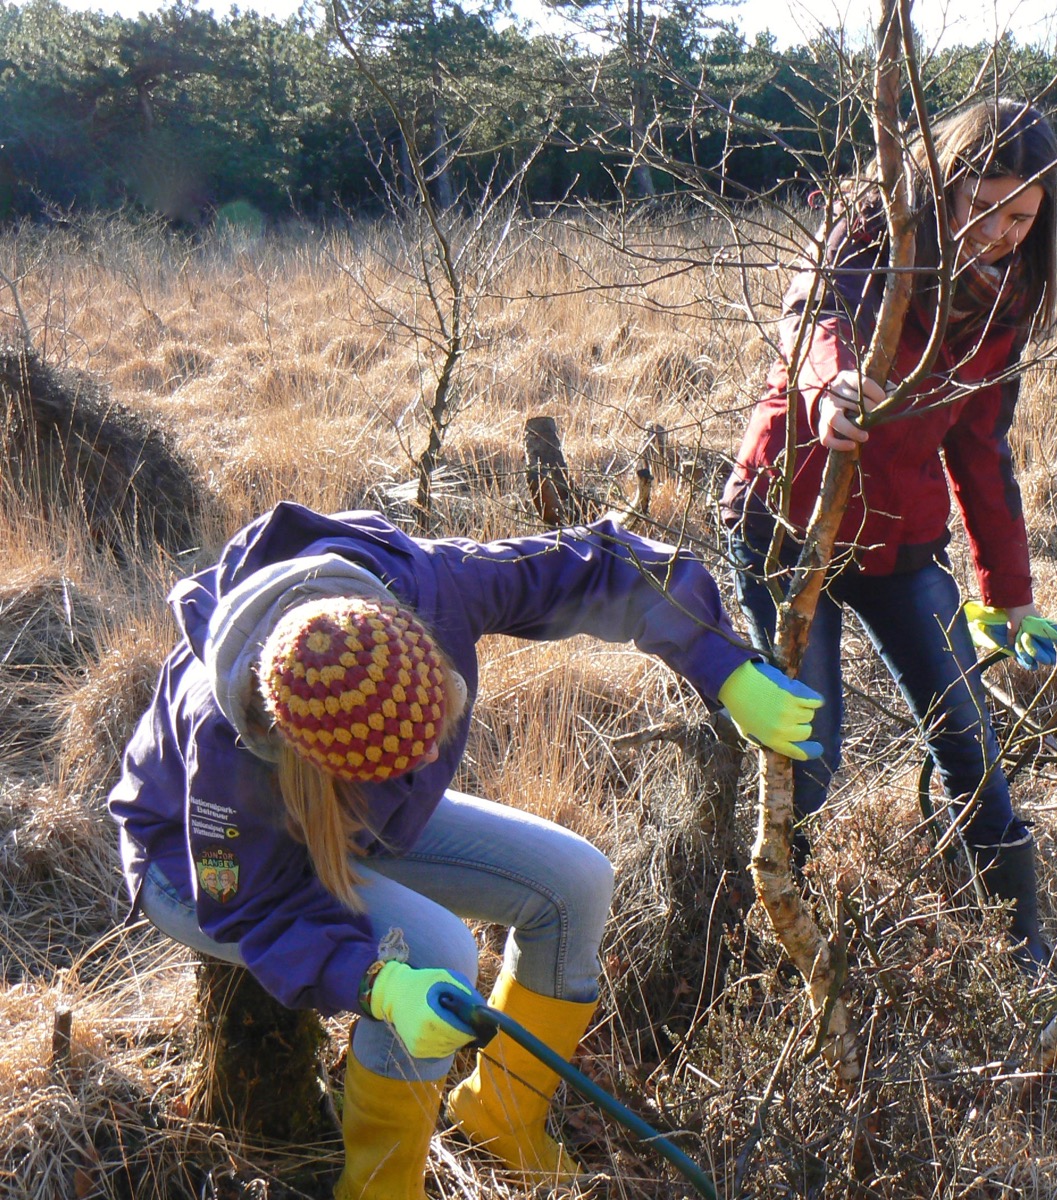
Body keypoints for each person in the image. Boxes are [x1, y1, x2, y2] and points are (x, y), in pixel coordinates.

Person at [108, 501, 821, 1199]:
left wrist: (725, 667)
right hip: (197, 870)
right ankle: (379, 1188)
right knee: (437, 955)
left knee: (576, 881)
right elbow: (251, 908)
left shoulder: (432, 585)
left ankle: (499, 1120)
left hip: (361, 821)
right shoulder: (226, 748)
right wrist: (376, 983)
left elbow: (599, 563)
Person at [721, 98, 1057, 971]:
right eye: (981, 207)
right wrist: (836, 388)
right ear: (943, 187)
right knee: (809, 750)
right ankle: (766, 947)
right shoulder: (869, 233)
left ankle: (1021, 954)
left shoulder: (1011, 296)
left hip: (901, 540)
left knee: (969, 740)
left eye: (1021, 216)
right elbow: (817, 316)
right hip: (790, 522)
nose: (997, 231)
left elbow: (982, 448)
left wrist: (1010, 598)